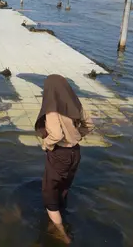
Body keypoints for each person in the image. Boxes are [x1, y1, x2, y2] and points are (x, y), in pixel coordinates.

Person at [34, 74, 94, 244]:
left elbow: (56, 134)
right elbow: (90, 124)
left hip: (60, 154)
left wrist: (46, 145)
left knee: (49, 192)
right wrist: (76, 136)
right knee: (63, 188)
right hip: (75, 153)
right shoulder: (75, 104)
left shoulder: (52, 109)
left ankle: (61, 232)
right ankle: (61, 215)